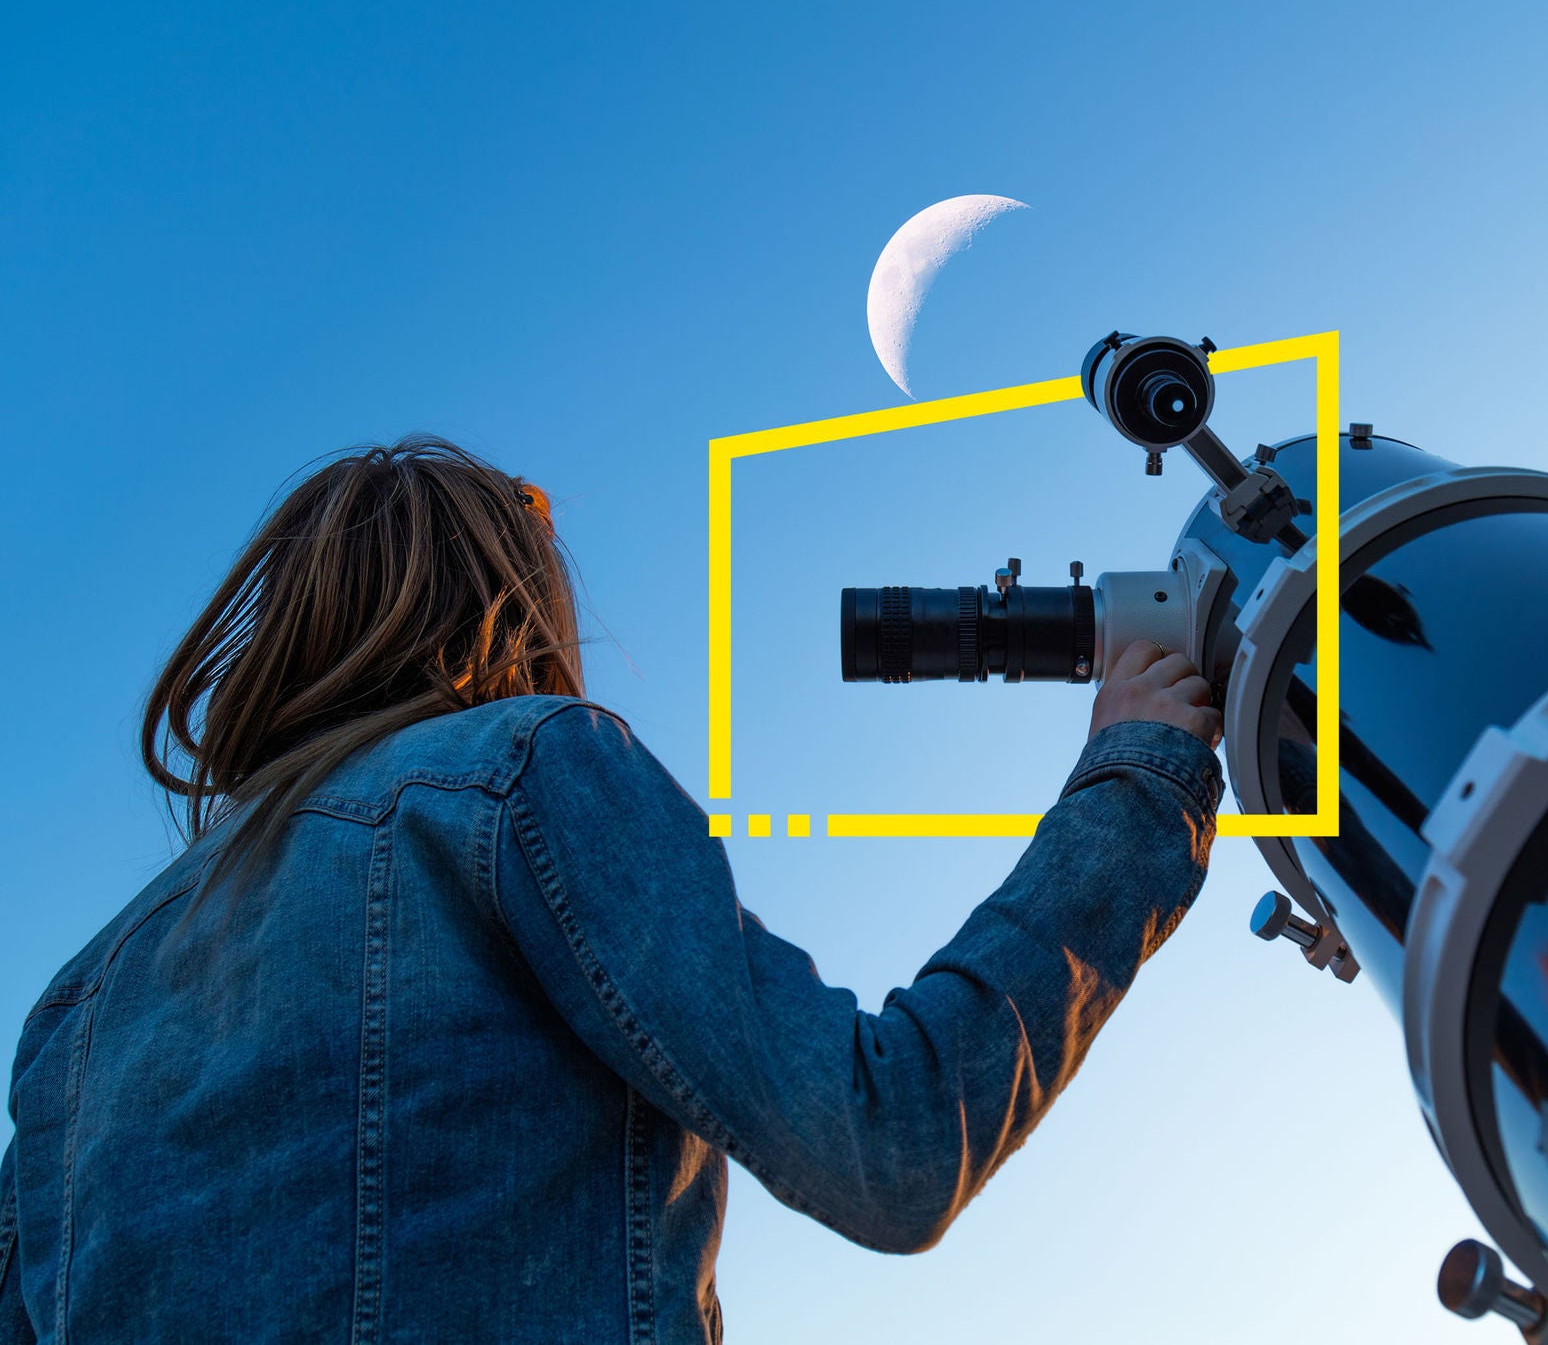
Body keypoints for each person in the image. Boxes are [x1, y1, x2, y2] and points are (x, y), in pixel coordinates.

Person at [0, 437, 1224, 1343]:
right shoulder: (529, 771)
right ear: (505, 605)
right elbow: (891, 1141)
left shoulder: (75, 1009)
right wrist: (1135, 772)